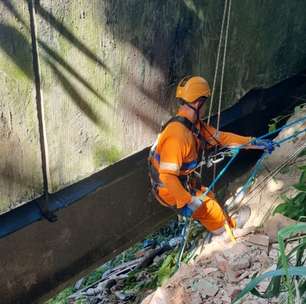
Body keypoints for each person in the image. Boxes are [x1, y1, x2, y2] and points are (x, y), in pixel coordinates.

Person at [148, 75, 274, 235]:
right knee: (209, 208)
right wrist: (188, 201)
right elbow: (167, 177)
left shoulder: (191, 125)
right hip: (170, 190)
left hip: (180, 182)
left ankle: (219, 224)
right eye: (205, 102)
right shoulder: (178, 136)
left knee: (209, 196)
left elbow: (221, 138)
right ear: (199, 103)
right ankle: (227, 231)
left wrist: (254, 142)